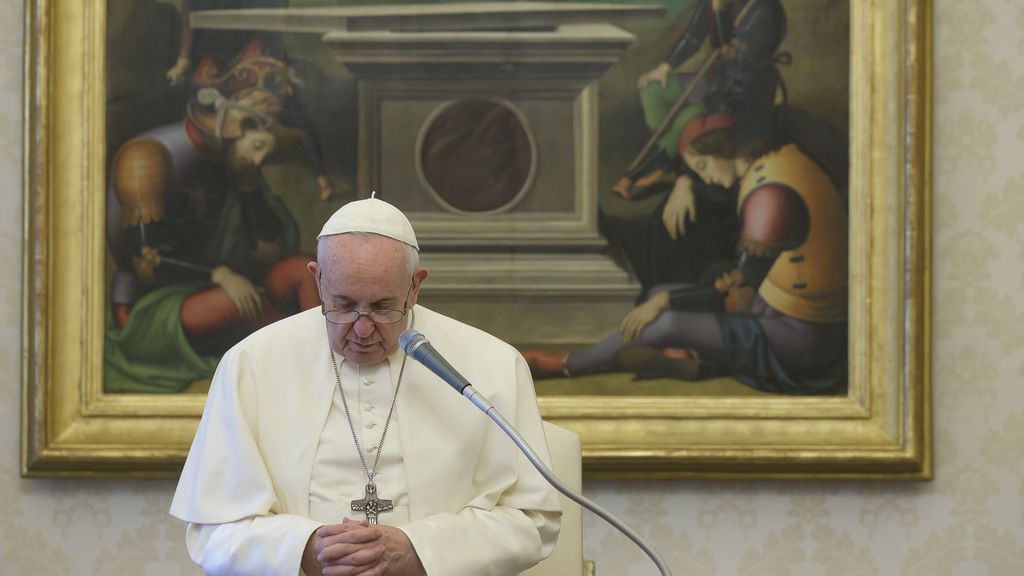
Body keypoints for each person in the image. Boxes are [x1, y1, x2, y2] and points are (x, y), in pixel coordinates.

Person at [170, 196, 561, 575]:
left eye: (382, 307)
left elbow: (532, 521)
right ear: (317, 280)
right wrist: (305, 549)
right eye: (343, 304)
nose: (361, 327)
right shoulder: (250, 364)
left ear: (415, 287)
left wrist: (420, 550)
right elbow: (213, 532)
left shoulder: (492, 364)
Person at [527, 110, 848, 395]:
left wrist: (665, 304)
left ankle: (567, 364)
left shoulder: (769, 196)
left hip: (802, 340)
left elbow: (742, 288)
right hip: (778, 306)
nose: (705, 177)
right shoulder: (774, 163)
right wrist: (663, 298)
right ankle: (691, 359)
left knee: (666, 320)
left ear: (724, 149)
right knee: (660, 292)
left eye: (704, 165)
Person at [105, 73, 321, 393]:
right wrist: (219, 274)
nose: (259, 160)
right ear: (241, 125)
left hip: (227, 285)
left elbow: (270, 250)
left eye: (267, 154)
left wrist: (248, 192)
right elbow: (146, 261)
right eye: (259, 146)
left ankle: (327, 360)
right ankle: (306, 374)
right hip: (149, 308)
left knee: (304, 268)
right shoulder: (147, 159)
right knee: (244, 303)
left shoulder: (234, 162)